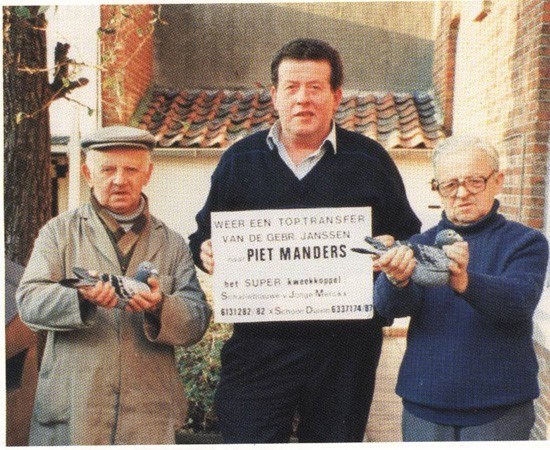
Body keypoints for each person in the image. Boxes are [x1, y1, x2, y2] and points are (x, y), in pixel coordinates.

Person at [188, 38, 421, 443]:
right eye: (291, 87)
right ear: (274, 94)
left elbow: (409, 236)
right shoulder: (240, 161)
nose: (302, 99)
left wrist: (396, 251)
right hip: (260, 345)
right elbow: (204, 233)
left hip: (345, 350)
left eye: (315, 87)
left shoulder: (370, 161)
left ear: (336, 96)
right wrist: (206, 250)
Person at [16, 125, 211, 445]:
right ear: (87, 173)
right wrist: (80, 299)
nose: (119, 180)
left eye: (131, 170)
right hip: (75, 410)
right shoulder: (59, 233)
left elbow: (197, 321)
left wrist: (160, 306)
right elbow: (28, 302)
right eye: (108, 170)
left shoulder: (172, 243)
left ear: (148, 174)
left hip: (148, 414)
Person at [373, 135, 549, 441]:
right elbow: (390, 308)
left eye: (475, 181)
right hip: (424, 404)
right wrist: (395, 279)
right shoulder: (420, 243)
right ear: (438, 189)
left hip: (499, 408)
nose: (462, 193)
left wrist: (464, 282)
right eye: (450, 184)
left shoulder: (526, 242)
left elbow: (518, 304)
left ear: (498, 181)